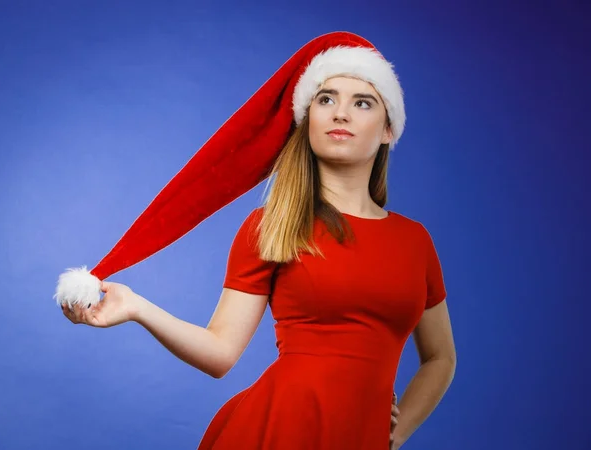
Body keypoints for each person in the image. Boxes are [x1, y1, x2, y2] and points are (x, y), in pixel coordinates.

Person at [56, 31, 456, 449]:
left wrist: (397, 431)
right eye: (326, 99)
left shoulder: (415, 240)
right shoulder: (271, 225)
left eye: (362, 102)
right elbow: (220, 353)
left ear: (388, 128)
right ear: (306, 120)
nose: (341, 113)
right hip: (274, 432)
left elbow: (440, 358)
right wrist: (138, 307)